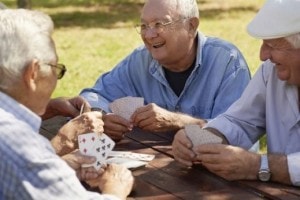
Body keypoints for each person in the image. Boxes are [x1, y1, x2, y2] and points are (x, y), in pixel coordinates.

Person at [0, 9, 134, 199]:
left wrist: (60, 165)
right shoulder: (21, 146)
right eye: (56, 69)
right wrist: (115, 188)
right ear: (33, 74)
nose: (57, 79)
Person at [80, 0, 251, 141]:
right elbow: (93, 96)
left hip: (217, 175)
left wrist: (177, 121)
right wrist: (102, 117)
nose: (149, 35)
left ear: (191, 26)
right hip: (157, 174)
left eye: (159, 24)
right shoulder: (140, 60)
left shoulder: (228, 62)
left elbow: (236, 134)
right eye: (144, 26)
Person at [172, 0, 300, 186]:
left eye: (272, 45)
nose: (263, 55)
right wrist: (201, 139)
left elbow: (256, 163)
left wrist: (259, 166)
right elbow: (240, 121)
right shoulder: (270, 71)